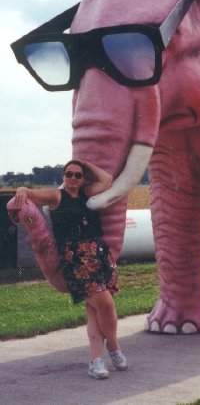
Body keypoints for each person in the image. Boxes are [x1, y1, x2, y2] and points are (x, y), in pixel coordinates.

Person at [13, 160, 127, 379]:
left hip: (99, 254)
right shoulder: (57, 196)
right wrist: (22, 189)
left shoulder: (87, 193)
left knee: (94, 310)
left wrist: (82, 162)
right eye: (69, 174)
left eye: (77, 175)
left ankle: (96, 360)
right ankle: (114, 348)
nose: (73, 178)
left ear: (82, 179)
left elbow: (107, 180)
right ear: (63, 176)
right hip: (77, 259)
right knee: (105, 304)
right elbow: (30, 193)